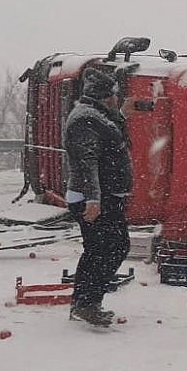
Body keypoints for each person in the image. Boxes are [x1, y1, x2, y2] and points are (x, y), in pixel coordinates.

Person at [63, 67, 133, 326]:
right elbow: (86, 162)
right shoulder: (85, 119)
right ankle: (87, 303)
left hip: (103, 195)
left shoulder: (94, 115)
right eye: (114, 95)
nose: (117, 99)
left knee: (100, 249)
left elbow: (109, 136)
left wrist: (124, 114)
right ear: (104, 96)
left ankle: (85, 302)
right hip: (93, 198)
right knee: (110, 248)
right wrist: (93, 199)